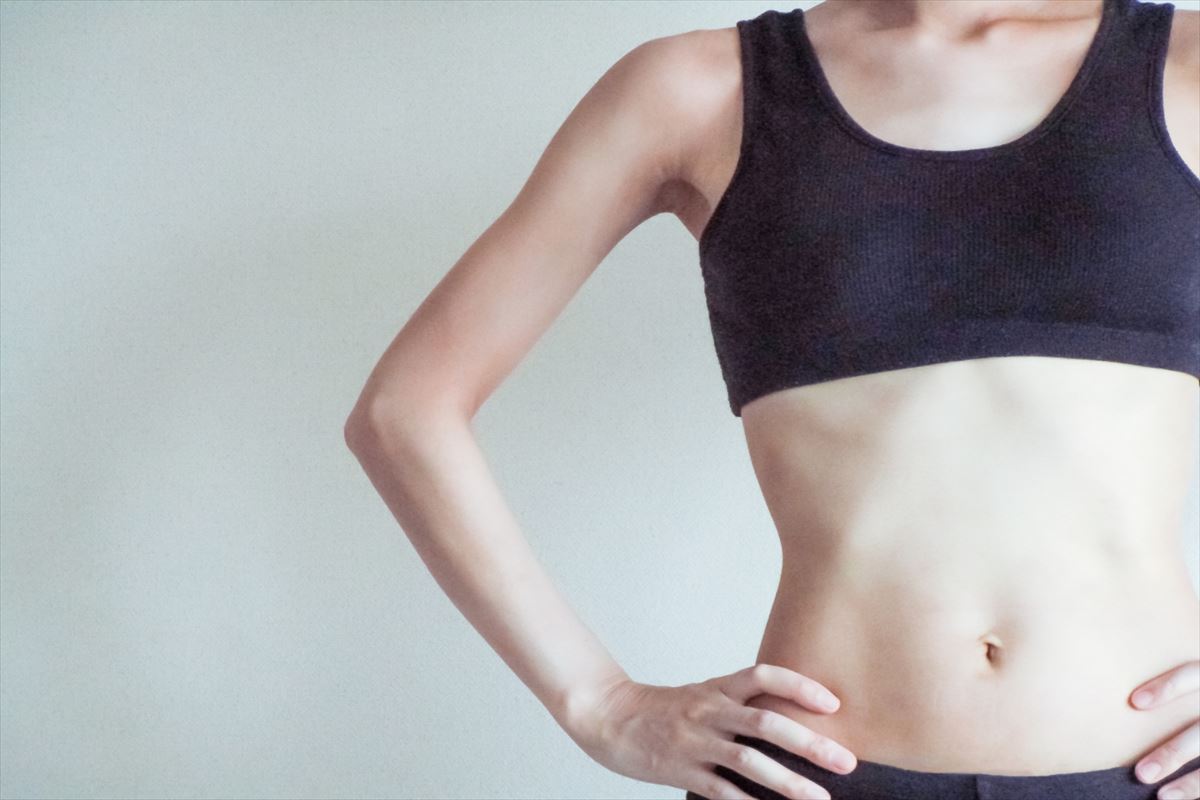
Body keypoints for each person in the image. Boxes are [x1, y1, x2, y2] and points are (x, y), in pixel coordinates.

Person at [343, 0, 1200, 798]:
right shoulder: (700, 89)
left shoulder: (1186, 61)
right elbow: (404, 411)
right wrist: (599, 703)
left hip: (1154, 774)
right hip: (813, 776)